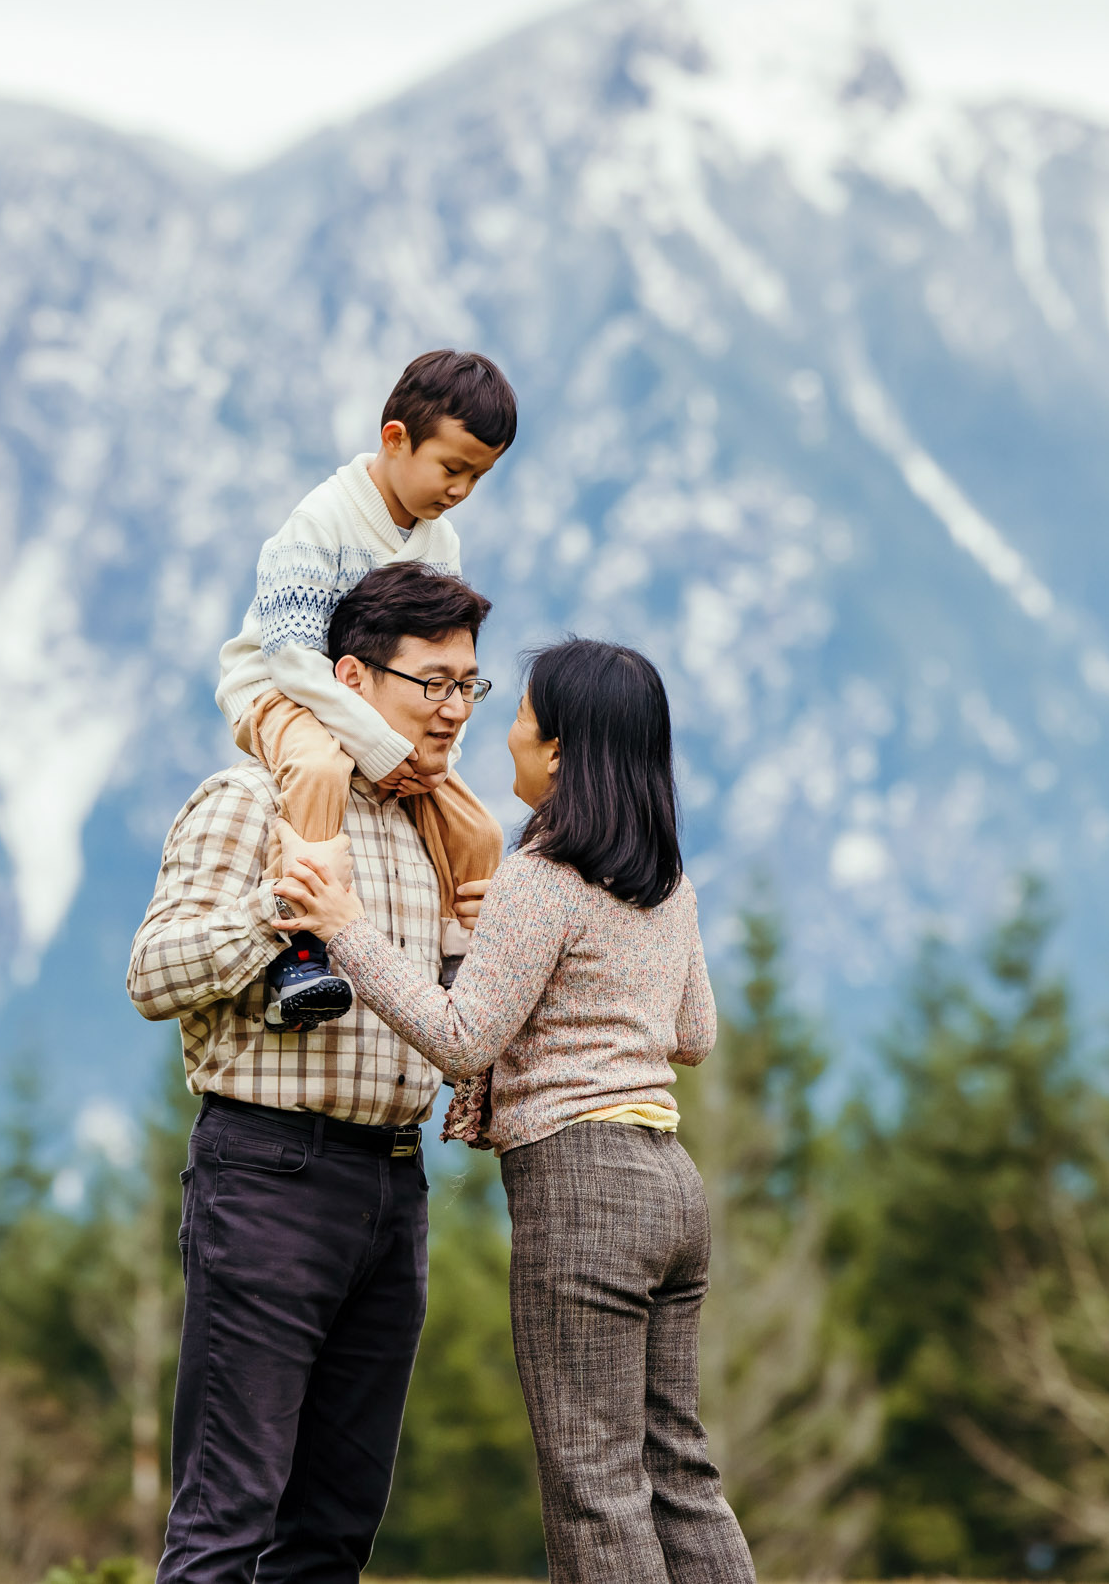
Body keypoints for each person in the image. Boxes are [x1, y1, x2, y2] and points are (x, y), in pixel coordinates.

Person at [276, 638, 759, 1584]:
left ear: (561, 750)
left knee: (594, 1479)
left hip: (584, 1189)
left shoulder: (542, 877)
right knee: (679, 1469)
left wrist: (344, 929)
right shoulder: (667, 883)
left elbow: (462, 1039)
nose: (504, 733)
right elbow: (694, 1032)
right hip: (671, 1185)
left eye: (522, 716)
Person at [127, 562, 500, 1584]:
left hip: (397, 1186)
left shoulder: (434, 830)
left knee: (336, 1529)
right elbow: (152, 974)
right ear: (351, 677)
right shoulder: (251, 800)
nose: (455, 708)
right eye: (432, 681)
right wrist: (274, 910)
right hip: (270, 1173)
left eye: (469, 684)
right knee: (229, 1513)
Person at [216, 349, 516, 1024]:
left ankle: (460, 958)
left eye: (478, 476)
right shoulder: (322, 520)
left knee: (477, 826)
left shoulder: (441, 545)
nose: (461, 489)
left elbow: (441, 663)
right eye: (452, 468)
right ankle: (301, 949)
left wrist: (437, 757)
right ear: (396, 438)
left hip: (381, 712)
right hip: (279, 692)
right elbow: (292, 657)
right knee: (319, 768)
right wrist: (378, 745)